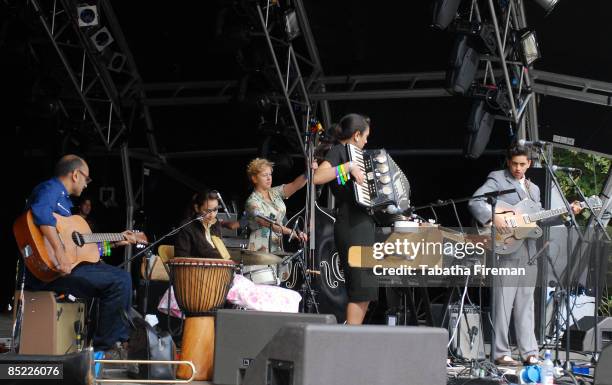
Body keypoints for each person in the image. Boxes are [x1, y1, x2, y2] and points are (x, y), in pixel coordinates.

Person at [468, 143, 582, 366]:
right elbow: (475, 202)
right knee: (503, 303)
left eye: (522, 164)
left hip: (530, 251)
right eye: (514, 164)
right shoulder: (498, 178)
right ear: (508, 162)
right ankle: (500, 352)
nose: (518, 168)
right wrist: (495, 218)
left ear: (529, 164)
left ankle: (529, 352)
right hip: (507, 249)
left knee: (526, 305)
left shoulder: (534, 189)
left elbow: (538, 219)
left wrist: (567, 213)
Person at [23, 154, 141, 356]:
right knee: (120, 281)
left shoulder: (68, 208)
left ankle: (109, 342)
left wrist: (116, 242)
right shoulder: (50, 189)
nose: (87, 185)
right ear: (76, 174)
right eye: (87, 179)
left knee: (120, 278)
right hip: (49, 270)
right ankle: (103, 348)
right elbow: (41, 213)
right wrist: (59, 253)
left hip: (71, 267)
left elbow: (84, 251)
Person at [313, 113, 373, 325]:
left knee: (365, 290)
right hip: (351, 224)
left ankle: (351, 337)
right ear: (356, 135)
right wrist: (347, 167)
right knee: (360, 288)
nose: (366, 142)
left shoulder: (358, 157)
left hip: (362, 224)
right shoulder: (340, 152)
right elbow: (318, 177)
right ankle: (349, 340)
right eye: (365, 137)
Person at [245, 158, 309, 253]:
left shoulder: (275, 192)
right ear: (254, 178)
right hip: (260, 246)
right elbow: (267, 223)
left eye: (270, 174)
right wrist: (290, 232)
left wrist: (308, 173)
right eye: (264, 175)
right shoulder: (252, 201)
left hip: (279, 244)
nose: (269, 178)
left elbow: (294, 185)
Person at [174, 190, 225, 259]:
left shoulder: (216, 224)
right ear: (197, 208)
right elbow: (181, 258)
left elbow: (221, 252)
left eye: (215, 210)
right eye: (208, 211)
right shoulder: (187, 226)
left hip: (217, 268)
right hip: (196, 269)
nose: (212, 215)